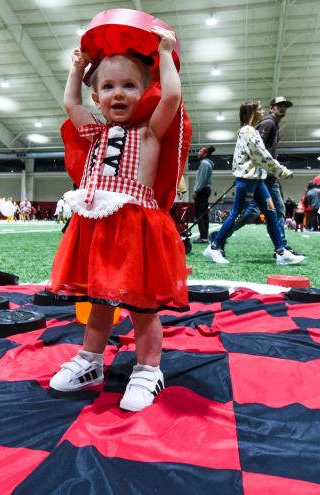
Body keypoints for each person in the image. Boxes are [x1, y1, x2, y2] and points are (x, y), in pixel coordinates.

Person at [47, 27, 190, 412]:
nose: (118, 93)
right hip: (98, 229)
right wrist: (76, 69)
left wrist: (164, 53)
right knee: (99, 303)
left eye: (129, 85)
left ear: (144, 93)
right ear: (98, 97)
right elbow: (69, 103)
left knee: (143, 308)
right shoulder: (95, 133)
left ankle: (148, 370)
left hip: (136, 232)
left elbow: (173, 95)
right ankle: (91, 361)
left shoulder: (150, 132)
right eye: (108, 87)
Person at [203, 100, 303, 265]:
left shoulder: (250, 130)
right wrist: (282, 171)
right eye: (260, 109)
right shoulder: (248, 130)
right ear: (252, 112)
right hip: (247, 180)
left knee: (270, 213)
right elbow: (262, 155)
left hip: (258, 180)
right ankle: (214, 247)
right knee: (236, 214)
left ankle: (281, 252)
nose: (263, 112)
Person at [192, 145, 215, 244]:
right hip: (206, 190)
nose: (198, 153)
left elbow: (201, 179)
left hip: (202, 190)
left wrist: (196, 191)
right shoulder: (207, 163)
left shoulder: (205, 164)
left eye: (200, 151)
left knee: (199, 214)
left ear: (205, 154)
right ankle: (205, 236)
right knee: (204, 214)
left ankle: (203, 237)